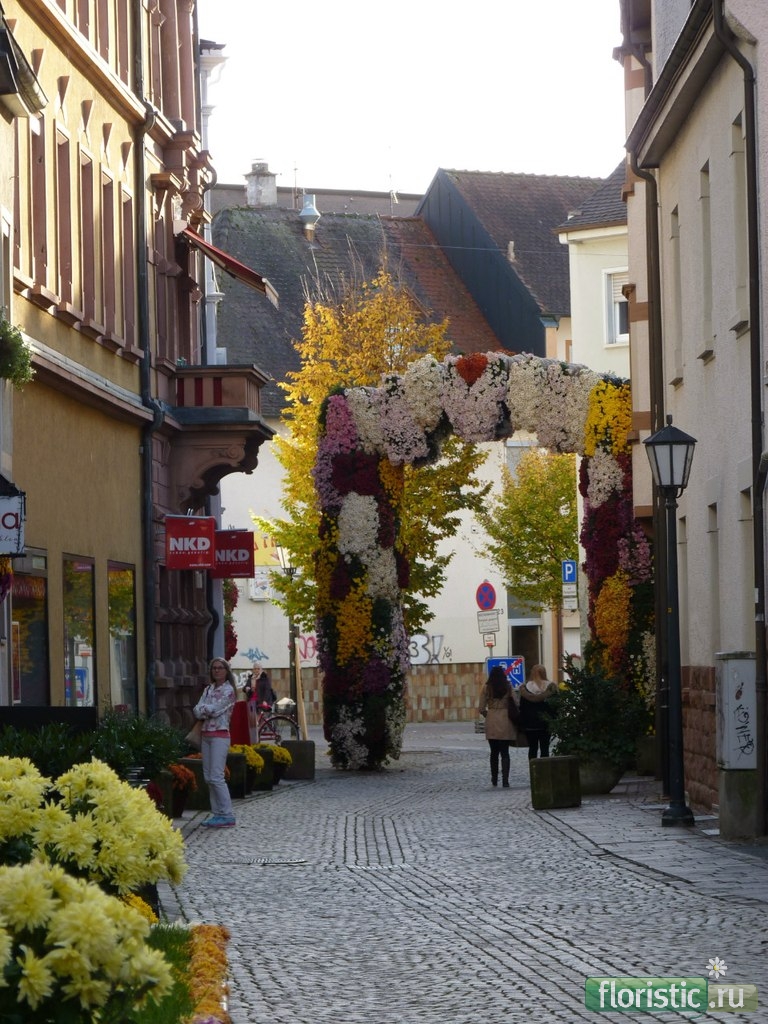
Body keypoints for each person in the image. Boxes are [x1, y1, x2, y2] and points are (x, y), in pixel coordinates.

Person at [193, 658, 237, 827]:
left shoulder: (229, 691)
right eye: (214, 668)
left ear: (226, 671)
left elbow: (215, 710)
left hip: (220, 736)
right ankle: (217, 813)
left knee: (217, 776)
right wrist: (205, 710)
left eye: (220, 668)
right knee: (208, 777)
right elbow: (197, 710)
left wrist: (204, 709)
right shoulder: (208, 689)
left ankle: (227, 814)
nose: (217, 670)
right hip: (206, 735)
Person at [477, 664, 519, 787]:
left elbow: (481, 707)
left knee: (494, 752)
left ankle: (494, 779)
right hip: (505, 719)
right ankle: (505, 780)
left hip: (492, 719)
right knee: (505, 752)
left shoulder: (486, 688)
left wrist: (488, 714)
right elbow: (516, 702)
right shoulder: (508, 686)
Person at [519, 664, 558, 760]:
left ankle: (533, 767)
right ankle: (544, 768)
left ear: (532, 673)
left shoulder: (525, 688)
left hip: (530, 724)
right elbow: (555, 706)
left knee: (532, 748)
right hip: (546, 723)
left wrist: (522, 723)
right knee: (545, 748)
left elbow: (522, 708)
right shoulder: (551, 687)